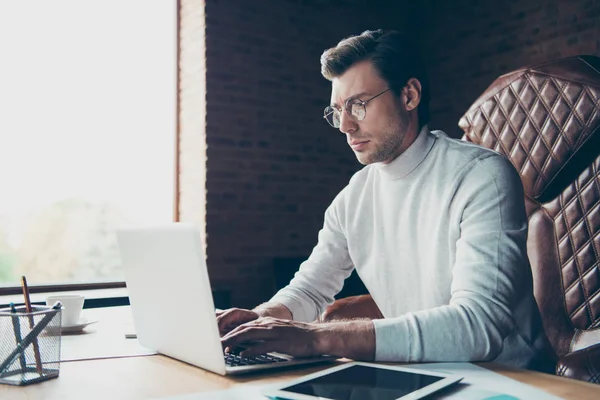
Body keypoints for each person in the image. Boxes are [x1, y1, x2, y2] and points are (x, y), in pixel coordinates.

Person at [218, 29, 551, 369]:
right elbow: (309, 291)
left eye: (358, 105)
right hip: (418, 373)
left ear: (409, 95)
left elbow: (479, 326)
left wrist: (315, 337)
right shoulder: (353, 198)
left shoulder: (481, 176)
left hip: (507, 379)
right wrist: (257, 321)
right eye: (337, 110)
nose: (345, 125)